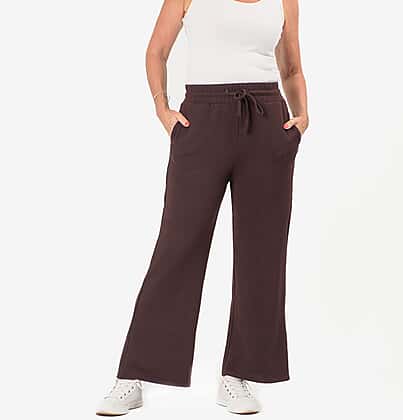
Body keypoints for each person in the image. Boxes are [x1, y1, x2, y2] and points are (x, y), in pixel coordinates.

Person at [96, 0, 308, 415]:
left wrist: (302, 117)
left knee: (262, 253)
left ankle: (238, 375)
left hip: (267, 121)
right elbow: (156, 50)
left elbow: (292, 68)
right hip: (202, 121)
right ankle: (134, 373)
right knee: (178, 244)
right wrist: (163, 108)